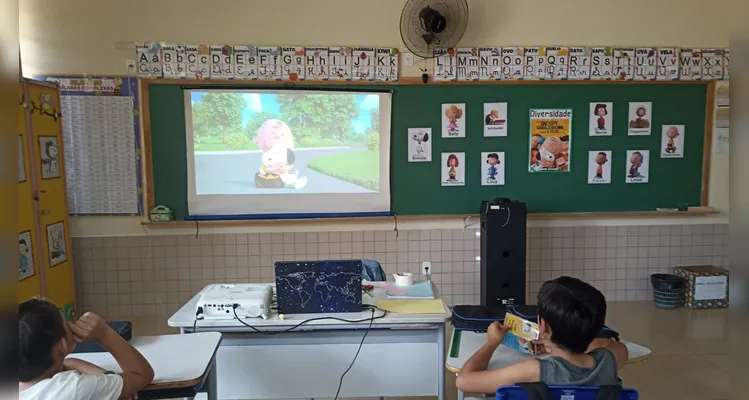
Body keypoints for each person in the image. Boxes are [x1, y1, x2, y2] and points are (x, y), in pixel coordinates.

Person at [455, 277, 628, 394]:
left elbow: (463, 381)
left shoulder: (534, 370)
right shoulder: (609, 360)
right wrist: (551, 343)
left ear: (543, 325)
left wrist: (492, 342)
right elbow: (605, 345)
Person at [19, 299, 154, 400]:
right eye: (67, 323)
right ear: (62, 344)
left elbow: (68, 363)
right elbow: (141, 374)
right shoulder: (73, 388)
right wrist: (104, 334)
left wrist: (110, 379)